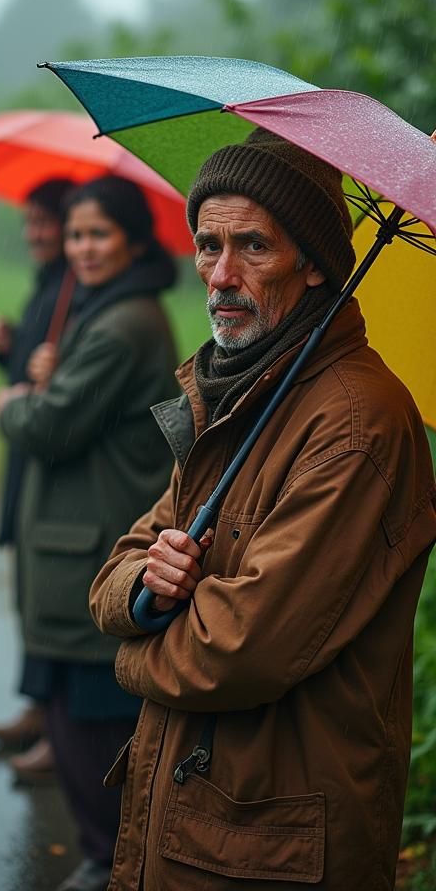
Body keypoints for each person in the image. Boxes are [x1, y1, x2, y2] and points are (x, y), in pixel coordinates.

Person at [89, 129, 436, 891]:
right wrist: (148, 590)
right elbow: (118, 567)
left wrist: (127, 655)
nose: (221, 275)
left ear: (315, 264)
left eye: (254, 246)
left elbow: (240, 650)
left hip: (270, 847)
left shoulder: (355, 424)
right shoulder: (239, 392)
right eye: (207, 244)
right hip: (194, 816)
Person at [0, 176, 179, 891]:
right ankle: (110, 855)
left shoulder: (125, 321)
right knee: (75, 714)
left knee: (92, 718)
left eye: (99, 233)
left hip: (90, 543)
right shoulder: (107, 315)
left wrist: (14, 400)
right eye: (75, 234)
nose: (83, 247)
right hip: (75, 538)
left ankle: (112, 860)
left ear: (133, 239)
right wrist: (47, 368)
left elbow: (52, 425)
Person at [0, 179, 79, 778]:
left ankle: (51, 719)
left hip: (49, 458)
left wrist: (47, 367)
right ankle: (37, 705)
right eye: (33, 223)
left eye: (48, 223)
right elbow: (30, 372)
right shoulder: (51, 287)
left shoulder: (82, 295)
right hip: (29, 451)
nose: (36, 234)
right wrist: (10, 349)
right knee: (27, 585)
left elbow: (57, 388)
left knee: (45, 590)